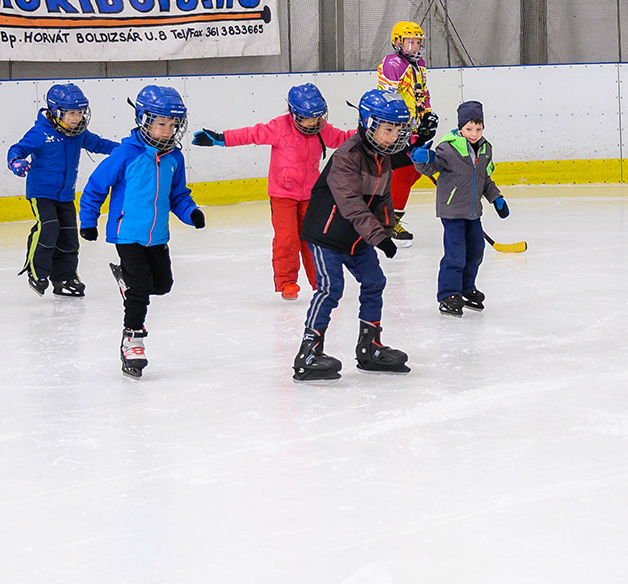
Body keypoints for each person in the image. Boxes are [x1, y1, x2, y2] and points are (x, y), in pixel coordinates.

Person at [292, 90, 418, 381]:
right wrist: (378, 237)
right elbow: (351, 203)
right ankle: (308, 352)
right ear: (369, 124)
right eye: (388, 129)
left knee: (375, 281)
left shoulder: (382, 156)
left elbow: (383, 198)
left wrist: (386, 230)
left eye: (398, 130)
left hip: (356, 237)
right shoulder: (347, 156)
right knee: (330, 288)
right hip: (326, 234)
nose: (394, 136)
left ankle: (369, 347)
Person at [79, 85, 204, 377]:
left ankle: (126, 279)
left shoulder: (174, 158)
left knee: (162, 285)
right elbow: (95, 188)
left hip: (157, 235)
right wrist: (88, 221)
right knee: (140, 290)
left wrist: (190, 212)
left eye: (172, 125)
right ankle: (132, 341)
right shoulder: (125, 154)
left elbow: (178, 196)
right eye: (161, 124)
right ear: (144, 121)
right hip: (127, 233)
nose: (167, 131)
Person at [191, 83, 355, 299]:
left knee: (314, 239)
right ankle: (287, 282)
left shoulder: (321, 128)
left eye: (317, 117)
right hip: (282, 195)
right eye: (308, 118)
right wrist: (221, 138)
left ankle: (321, 281)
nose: (313, 122)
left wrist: (369, 134)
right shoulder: (279, 127)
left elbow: (343, 138)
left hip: (311, 195)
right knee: (287, 239)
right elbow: (251, 134)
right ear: (294, 113)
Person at [7, 82, 118, 296]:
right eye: (71, 113)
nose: (76, 118)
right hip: (41, 193)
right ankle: (36, 271)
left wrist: (127, 150)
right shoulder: (40, 133)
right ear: (56, 112)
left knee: (69, 237)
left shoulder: (79, 134)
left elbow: (100, 144)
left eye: (80, 112)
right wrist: (15, 161)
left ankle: (65, 278)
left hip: (65, 195)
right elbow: (18, 148)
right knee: (48, 227)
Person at [408, 100, 509, 316]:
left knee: (476, 252)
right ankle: (448, 294)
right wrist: (421, 160)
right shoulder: (448, 148)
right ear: (460, 127)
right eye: (469, 129)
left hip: (473, 212)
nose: (474, 134)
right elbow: (430, 168)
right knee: (455, 254)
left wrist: (496, 198)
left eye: (478, 129)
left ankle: (466, 288)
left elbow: (484, 180)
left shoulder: (486, 149)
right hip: (452, 211)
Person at [376, 21, 436, 242]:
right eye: (409, 42)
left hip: (413, 127)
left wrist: (427, 116)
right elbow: (389, 98)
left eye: (417, 42)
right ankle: (389, 221)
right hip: (395, 127)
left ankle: (386, 214)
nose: (414, 46)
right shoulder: (393, 63)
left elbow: (422, 93)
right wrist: (400, 128)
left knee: (414, 171)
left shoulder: (420, 63)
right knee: (404, 171)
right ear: (397, 43)